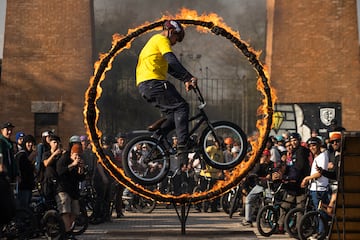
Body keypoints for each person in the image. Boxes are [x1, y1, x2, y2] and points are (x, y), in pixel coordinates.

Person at [136, 19, 198, 166]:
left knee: (173, 114)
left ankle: (156, 138)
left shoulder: (154, 43)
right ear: (170, 31)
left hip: (146, 85)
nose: (176, 41)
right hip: (153, 83)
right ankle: (183, 144)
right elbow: (171, 60)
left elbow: (169, 68)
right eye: (176, 37)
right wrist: (189, 77)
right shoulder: (161, 39)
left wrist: (184, 80)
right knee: (182, 107)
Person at [277, 132, 311, 234]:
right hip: (292, 185)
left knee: (300, 208)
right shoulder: (293, 153)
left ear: (299, 141)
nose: (293, 142)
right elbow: (289, 167)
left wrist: (289, 177)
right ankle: (280, 226)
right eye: (292, 141)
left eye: (295, 140)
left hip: (300, 185)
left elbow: (299, 168)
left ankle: (298, 228)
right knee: (284, 206)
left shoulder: (301, 151)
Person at [56, 143, 85, 239]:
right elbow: (60, 171)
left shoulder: (78, 161)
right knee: (65, 212)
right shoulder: (64, 159)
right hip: (63, 189)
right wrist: (72, 165)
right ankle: (67, 234)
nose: (77, 157)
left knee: (75, 212)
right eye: (76, 155)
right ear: (71, 153)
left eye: (79, 155)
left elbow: (81, 178)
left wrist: (80, 168)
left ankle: (66, 231)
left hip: (74, 190)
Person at [301, 137, 329, 237]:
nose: (312, 147)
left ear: (319, 145)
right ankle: (318, 231)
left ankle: (321, 233)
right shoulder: (317, 157)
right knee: (316, 212)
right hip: (314, 188)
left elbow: (319, 174)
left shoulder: (322, 157)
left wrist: (307, 178)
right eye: (310, 146)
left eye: (314, 145)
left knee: (320, 212)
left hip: (320, 188)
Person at [241, 149, 275, 227]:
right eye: (263, 156)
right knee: (249, 199)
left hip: (269, 187)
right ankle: (248, 220)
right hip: (259, 186)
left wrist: (271, 175)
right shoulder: (258, 165)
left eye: (266, 156)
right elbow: (252, 174)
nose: (265, 158)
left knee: (271, 202)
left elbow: (276, 171)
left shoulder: (273, 165)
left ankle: (271, 220)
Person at [15, 134, 36, 209]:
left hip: (28, 186)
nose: (30, 144)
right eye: (28, 142)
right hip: (23, 187)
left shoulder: (27, 155)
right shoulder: (21, 155)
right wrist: (33, 155)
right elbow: (24, 167)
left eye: (32, 143)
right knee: (23, 209)